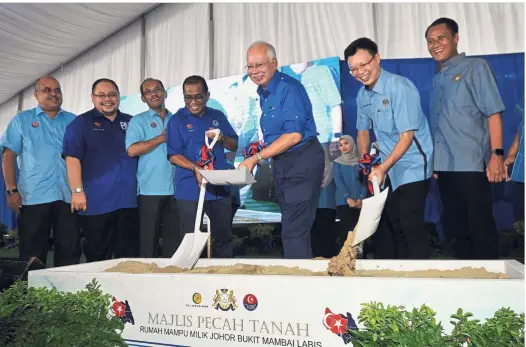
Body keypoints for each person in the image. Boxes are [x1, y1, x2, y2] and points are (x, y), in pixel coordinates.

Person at [345, 37, 434, 259]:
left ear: (377, 58)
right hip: (386, 169)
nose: (359, 72)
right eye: (353, 69)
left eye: (363, 65)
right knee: (393, 225)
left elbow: (406, 136)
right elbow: (363, 131)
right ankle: (399, 273)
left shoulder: (399, 87)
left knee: (410, 224)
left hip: (412, 164)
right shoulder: (362, 95)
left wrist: (383, 167)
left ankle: (421, 277)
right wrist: (366, 161)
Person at [426, 17, 505, 259]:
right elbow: (440, 124)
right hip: (445, 167)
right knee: (455, 229)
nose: (435, 44)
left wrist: (497, 154)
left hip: (472, 165)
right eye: (430, 41)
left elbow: (493, 112)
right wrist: (437, 162)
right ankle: (465, 281)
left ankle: (490, 284)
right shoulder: (438, 77)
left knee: (479, 227)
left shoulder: (476, 67)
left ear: (456, 38)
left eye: (441, 38)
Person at [239, 41, 325, 259]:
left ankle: (297, 285)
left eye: (259, 64)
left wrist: (256, 158)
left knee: (294, 230)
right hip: (284, 163)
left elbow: (294, 135)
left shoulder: (289, 88)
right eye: (250, 66)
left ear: (274, 63)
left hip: (301, 160)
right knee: (293, 228)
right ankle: (301, 279)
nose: (254, 71)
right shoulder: (265, 92)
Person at [0, 76, 80, 267]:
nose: (54, 94)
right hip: (33, 196)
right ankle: (30, 295)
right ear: (36, 95)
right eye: (47, 90)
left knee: (69, 249)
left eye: (57, 90)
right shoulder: (22, 120)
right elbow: (8, 155)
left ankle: (66, 294)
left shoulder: (74, 121)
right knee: (32, 252)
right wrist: (11, 190)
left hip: (68, 197)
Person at [63, 78, 139, 262]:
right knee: (98, 255)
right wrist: (77, 192)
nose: (107, 99)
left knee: (129, 256)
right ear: (92, 97)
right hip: (96, 203)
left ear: (119, 97)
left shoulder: (131, 122)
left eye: (112, 94)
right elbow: (72, 159)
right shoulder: (80, 123)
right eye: (101, 95)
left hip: (129, 202)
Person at [166, 75, 239, 258]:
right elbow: (173, 155)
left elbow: (234, 145)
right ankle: (192, 281)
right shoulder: (176, 120)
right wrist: (196, 168)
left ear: (207, 95)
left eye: (198, 96)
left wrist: (221, 137)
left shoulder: (217, 116)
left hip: (218, 187)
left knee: (224, 237)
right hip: (189, 188)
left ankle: (225, 278)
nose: (193, 102)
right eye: (188, 97)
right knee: (191, 240)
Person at [126, 78, 179, 258]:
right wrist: (160, 138)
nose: (153, 94)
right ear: (143, 98)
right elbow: (132, 150)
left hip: (178, 190)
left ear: (165, 92)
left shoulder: (178, 119)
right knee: (149, 242)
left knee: (175, 242)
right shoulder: (138, 121)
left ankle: (173, 279)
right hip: (150, 190)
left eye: (157, 89)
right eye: (148, 92)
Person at [333, 135, 368, 246]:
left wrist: (361, 198)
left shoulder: (361, 162)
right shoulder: (337, 163)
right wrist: (348, 197)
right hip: (343, 202)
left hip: (360, 202)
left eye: (346, 143)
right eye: (340, 145)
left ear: (352, 143)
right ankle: (346, 260)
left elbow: (365, 181)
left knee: (361, 232)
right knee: (347, 232)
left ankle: (361, 258)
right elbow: (338, 180)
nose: (343, 147)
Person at [310, 145, 337, 258]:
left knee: (322, 232)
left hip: (322, 205)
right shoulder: (331, 167)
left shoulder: (329, 168)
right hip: (325, 205)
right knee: (323, 233)